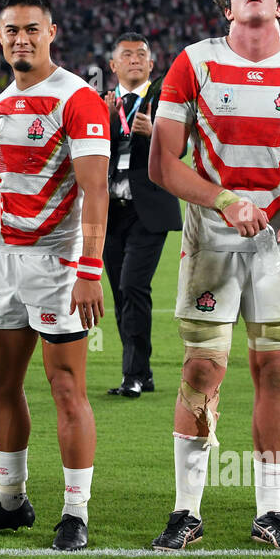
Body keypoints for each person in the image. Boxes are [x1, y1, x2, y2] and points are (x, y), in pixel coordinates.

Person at [147, 0, 280, 551]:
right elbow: (163, 163)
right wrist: (225, 199)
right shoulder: (194, 63)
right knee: (202, 368)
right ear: (227, 9)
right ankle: (186, 511)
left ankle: (271, 512)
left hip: (277, 245)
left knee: (274, 371)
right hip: (210, 237)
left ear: (278, 6)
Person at [0, 0, 109, 552]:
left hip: (61, 263)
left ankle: (75, 512)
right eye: (11, 30)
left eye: (31, 29)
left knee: (66, 386)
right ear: (0, 37)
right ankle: (12, 503)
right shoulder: (3, 102)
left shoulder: (78, 98)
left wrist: (90, 269)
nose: (22, 39)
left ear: (51, 32)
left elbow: (95, 191)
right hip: (6, 260)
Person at [102, 32, 183, 398]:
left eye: (141, 55)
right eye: (126, 55)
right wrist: (103, 123)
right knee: (121, 294)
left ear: (151, 64)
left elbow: (184, 147)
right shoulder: (100, 104)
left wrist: (156, 134)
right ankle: (142, 372)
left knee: (133, 285)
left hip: (147, 210)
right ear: (113, 65)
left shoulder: (165, 98)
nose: (134, 59)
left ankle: (132, 374)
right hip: (109, 212)